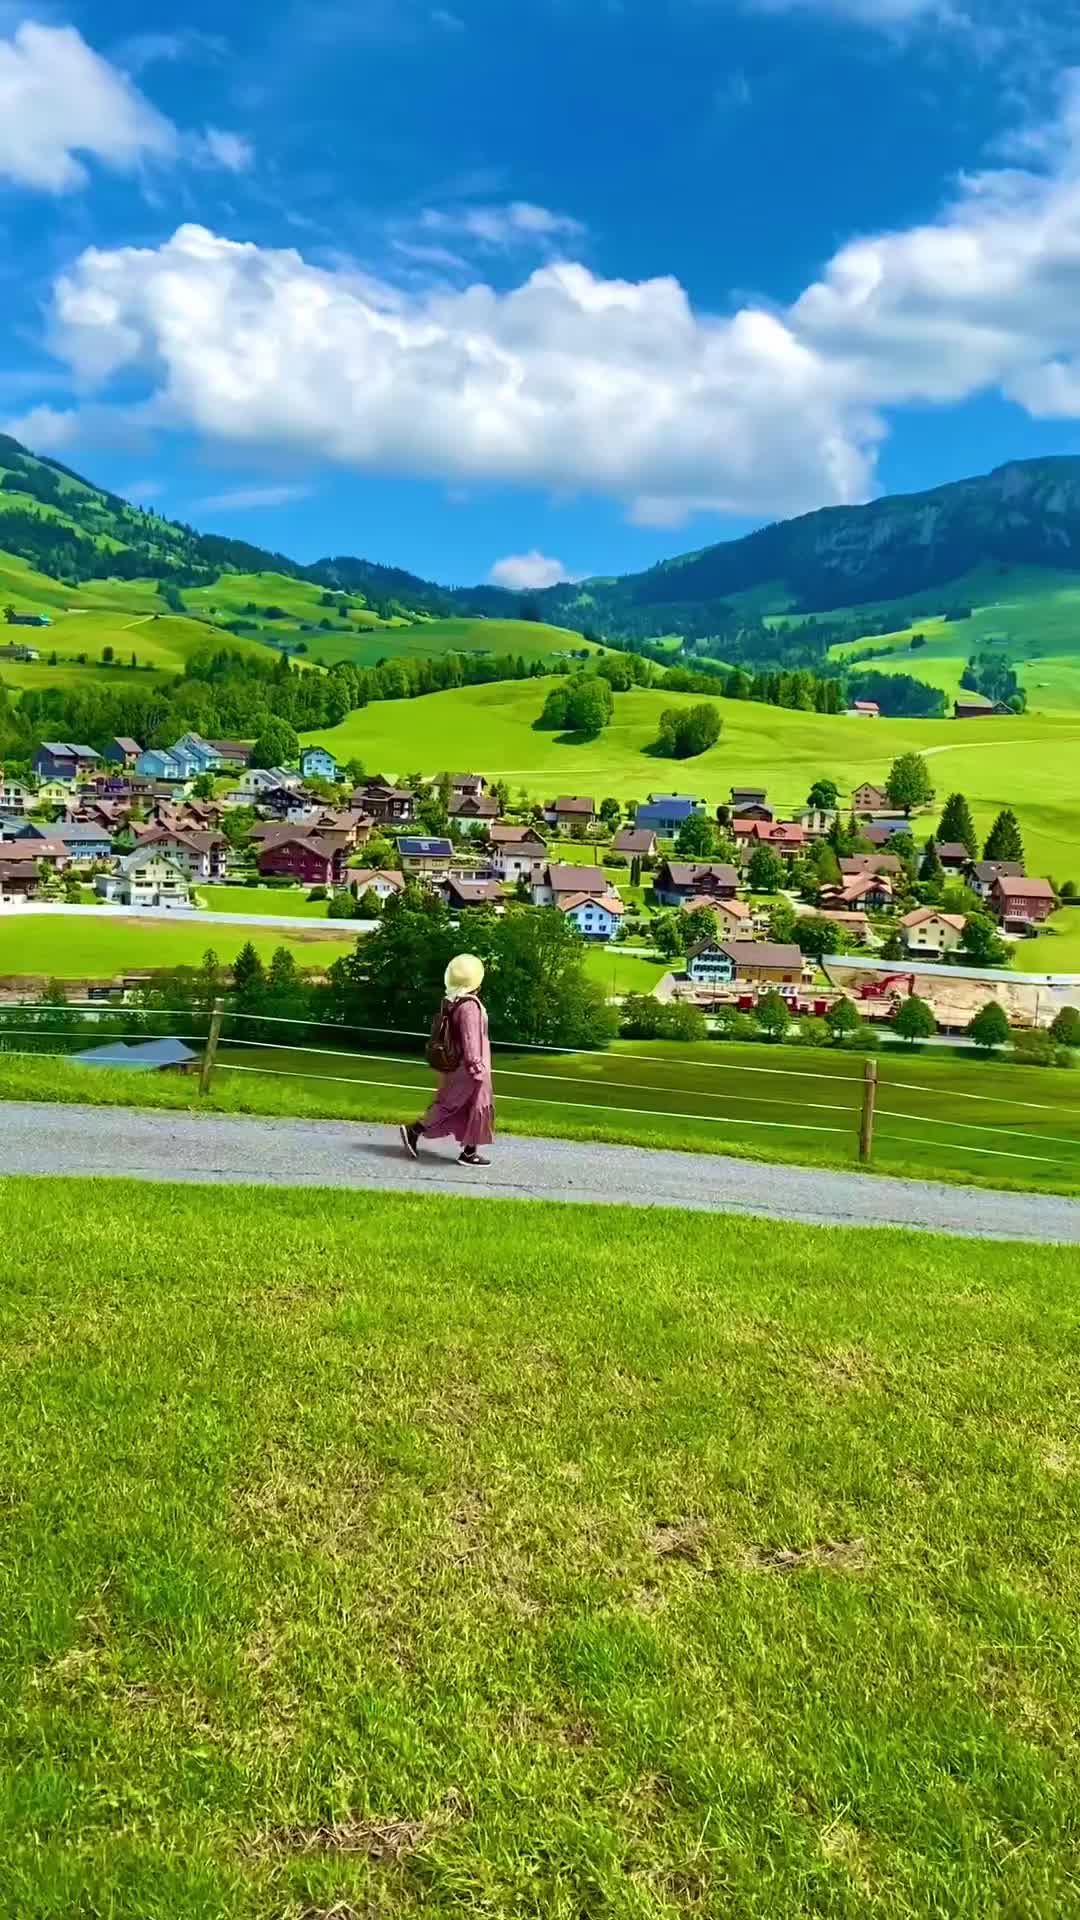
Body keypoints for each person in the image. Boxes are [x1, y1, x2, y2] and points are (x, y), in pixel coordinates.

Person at [400, 953, 495, 1168]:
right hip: (470, 1067)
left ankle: (469, 1152)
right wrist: (477, 1069)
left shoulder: (453, 1001)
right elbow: (471, 1041)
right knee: (457, 1105)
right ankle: (414, 1130)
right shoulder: (470, 1006)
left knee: (467, 1106)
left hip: (458, 1065)